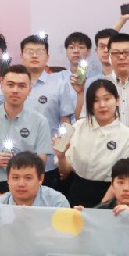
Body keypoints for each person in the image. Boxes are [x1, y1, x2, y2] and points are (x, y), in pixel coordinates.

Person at [0, 64, 54, 202]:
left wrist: (23, 166)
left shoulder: (40, 121)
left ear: (29, 90)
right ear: (2, 86)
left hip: (25, 185)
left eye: (21, 86)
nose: (15, 90)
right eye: (10, 85)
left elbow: (42, 161)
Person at [55, 79, 129, 207]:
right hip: (77, 189)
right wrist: (61, 156)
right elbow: (64, 171)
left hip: (109, 193)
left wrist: (101, 207)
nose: (102, 105)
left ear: (117, 100)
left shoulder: (128, 136)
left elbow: (122, 177)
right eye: (96, 100)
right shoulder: (77, 127)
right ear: (90, 105)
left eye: (107, 99)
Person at [15, 35, 76, 181]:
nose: (35, 55)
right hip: (16, 160)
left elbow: (65, 122)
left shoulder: (59, 83)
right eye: (30, 52)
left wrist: (61, 156)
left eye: (40, 52)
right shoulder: (12, 84)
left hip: (50, 163)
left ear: (47, 57)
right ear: (21, 56)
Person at [0, 151, 71, 207]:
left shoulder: (57, 203)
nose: (21, 184)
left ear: (41, 179)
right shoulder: (0, 204)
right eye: (15, 178)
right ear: (8, 179)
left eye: (28, 178)